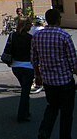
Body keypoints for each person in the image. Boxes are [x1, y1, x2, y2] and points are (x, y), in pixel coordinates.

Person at [31, 8, 77, 139]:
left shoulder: (37, 36)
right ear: (58, 20)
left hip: (48, 81)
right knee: (66, 113)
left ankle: (44, 132)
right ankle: (65, 136)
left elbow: (34, 59)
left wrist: (37, 76)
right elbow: (73, 60)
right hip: (64, 81)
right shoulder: (64, 36)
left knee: (52, 107)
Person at [9, 17, 34, 122]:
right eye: (30, 24)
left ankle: (26, 112)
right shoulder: (30, 38)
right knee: (25, 91)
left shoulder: (12, 36)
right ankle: (22, 114)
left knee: (25, 89)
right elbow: (34, 53)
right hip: (27, 66)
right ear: (26, 26)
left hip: (15, 66)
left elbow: (9, 49)